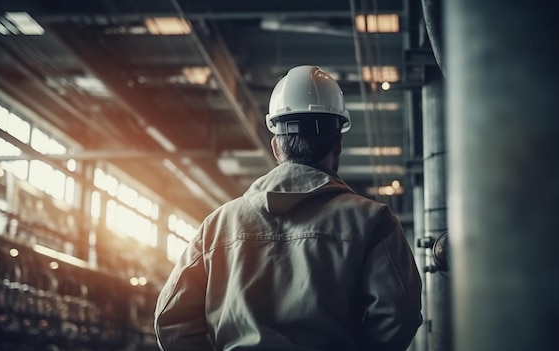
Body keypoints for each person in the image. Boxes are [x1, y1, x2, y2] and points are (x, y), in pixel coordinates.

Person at [154, 65, 423, 351]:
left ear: (276, 146)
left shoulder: (218, 225)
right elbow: (400, 314)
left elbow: (170, 320)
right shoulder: (373, 222)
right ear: (338, 142)